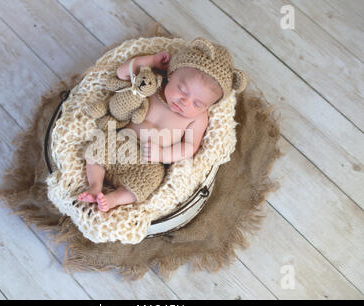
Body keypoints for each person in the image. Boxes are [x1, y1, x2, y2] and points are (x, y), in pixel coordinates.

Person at [78, 38, 247, 213]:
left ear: (208, 106)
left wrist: (163, 154)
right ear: (171, 74)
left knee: (152, 178)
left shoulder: (198, 119)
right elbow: (122, 73)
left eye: (198, 104)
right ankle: (95, 186)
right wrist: (151, 61)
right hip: (121, 141)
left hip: (149, 160)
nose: (185, 102)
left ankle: (113, 199)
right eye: (182, 90)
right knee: (97, 148)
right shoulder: (154, 84)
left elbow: (189, 147)